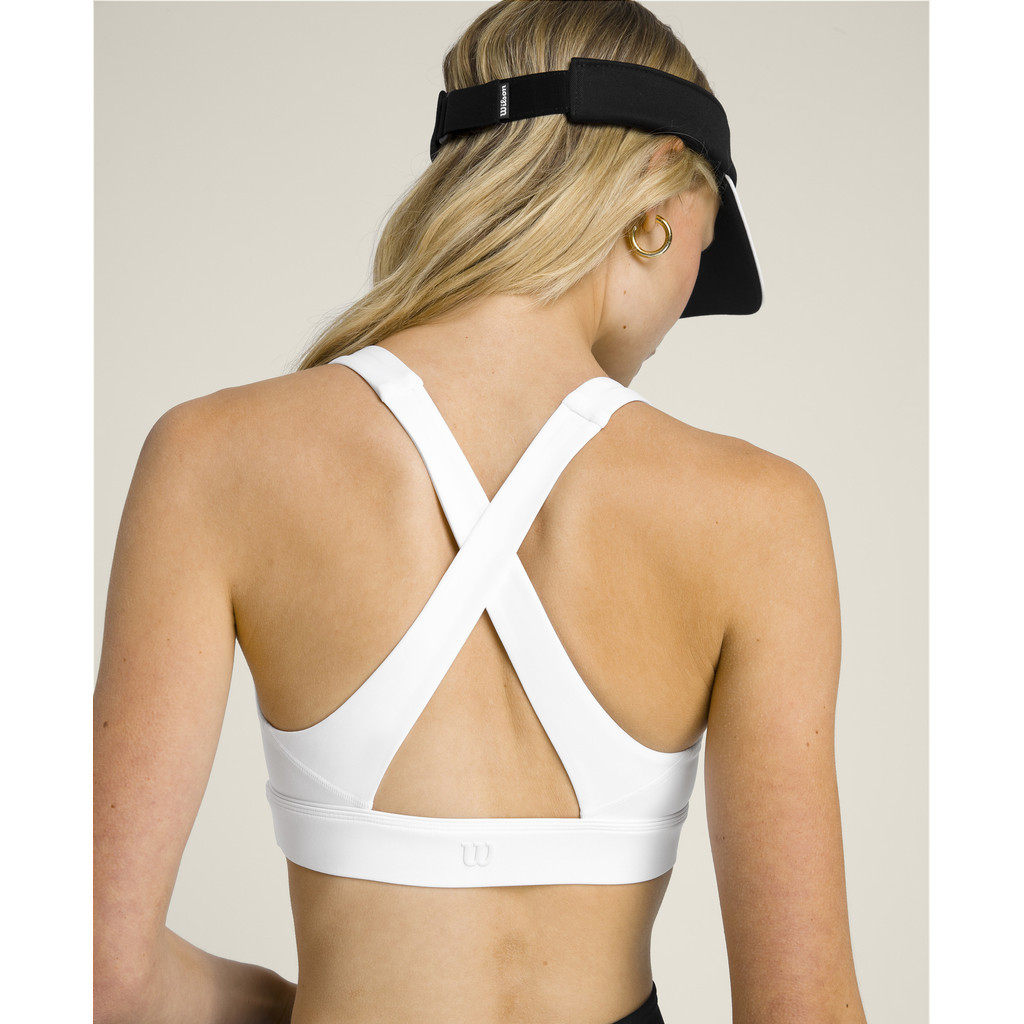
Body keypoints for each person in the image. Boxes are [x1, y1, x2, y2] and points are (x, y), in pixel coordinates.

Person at [93, 1, 867, 1022]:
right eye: (704, 245)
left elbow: (96, 966)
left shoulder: (212, 458)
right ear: (655, 200)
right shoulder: (760, 515)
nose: (686, 301)